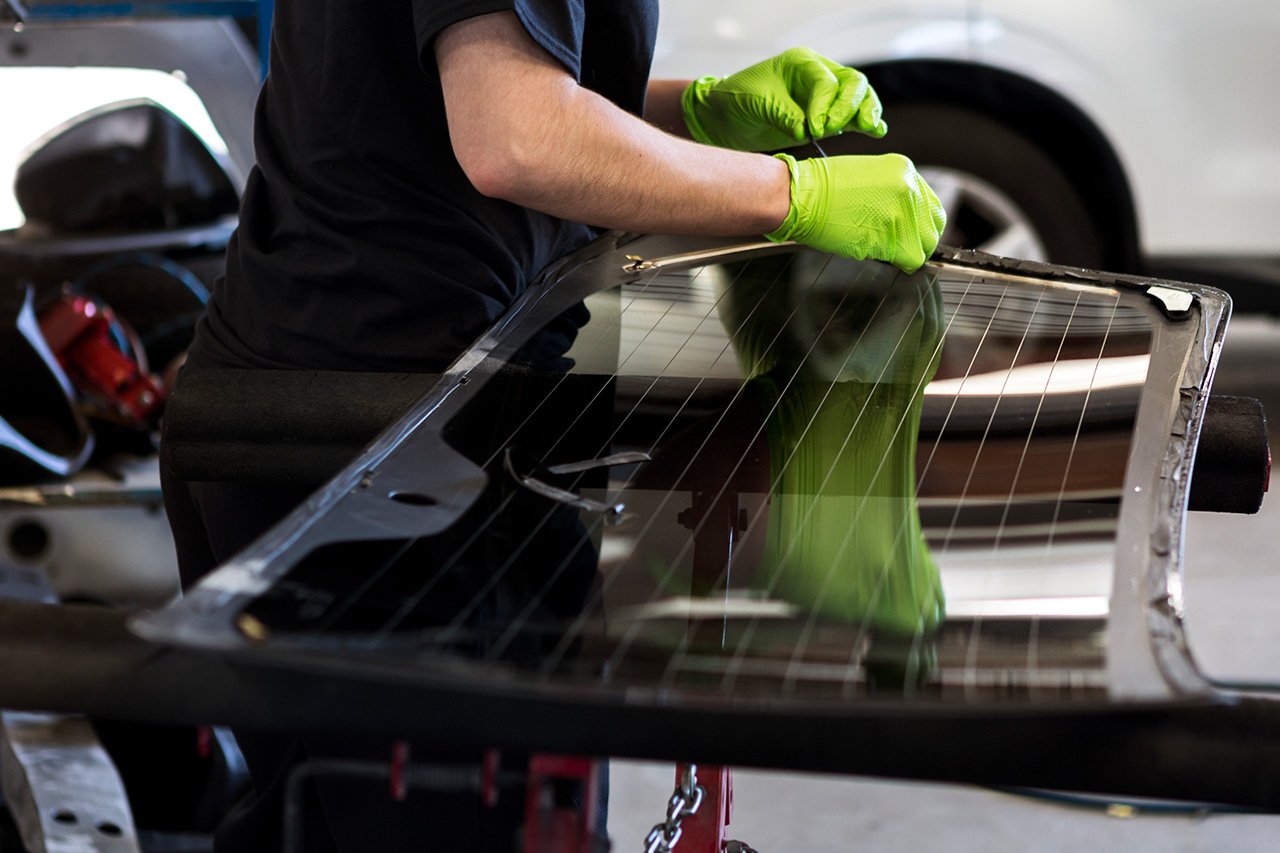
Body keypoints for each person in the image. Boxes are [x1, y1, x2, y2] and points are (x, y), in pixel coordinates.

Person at [160, 1, 946, 850]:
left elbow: (463, 102)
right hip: (390, 451)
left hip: (302, 401)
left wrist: (698, 114)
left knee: (320, 824)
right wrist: (788, 195)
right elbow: (516, 140)